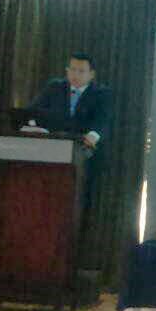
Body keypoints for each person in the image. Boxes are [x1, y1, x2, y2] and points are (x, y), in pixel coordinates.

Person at [26, 52, 113, 207]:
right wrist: (32, 126)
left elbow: (103, 121)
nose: (75, 75)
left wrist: (94, 135)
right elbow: (32, 112)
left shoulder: (101, 94)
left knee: (77, 200)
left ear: (91, 74)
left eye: (81, 71)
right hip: (51, 152)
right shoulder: (55, 87)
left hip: (84, 154)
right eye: (72, 69)